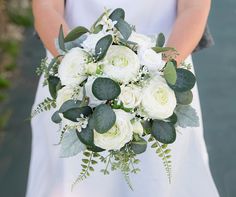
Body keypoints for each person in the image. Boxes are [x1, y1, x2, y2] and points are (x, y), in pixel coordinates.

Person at [27, 0, 219, 196]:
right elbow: (46, 7)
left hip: (162, 79)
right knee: (70, 182)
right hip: (74, 77)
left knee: (160, 183)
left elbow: (194, 7)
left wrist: (156, 72)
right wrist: (83, 73)